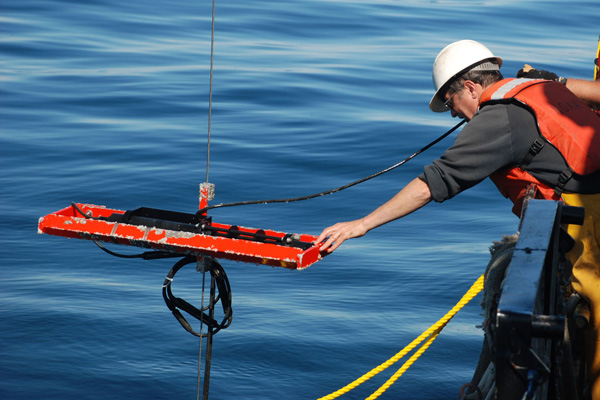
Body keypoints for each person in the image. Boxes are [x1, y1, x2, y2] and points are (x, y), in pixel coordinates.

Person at [315, 40, 600, 397]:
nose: (452, 114)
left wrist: (361, 225)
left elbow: (432, 183)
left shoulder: (500, 117)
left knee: (593, 332)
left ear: (469, 87)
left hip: (589, 224)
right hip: (585, 207)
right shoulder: (541, 89)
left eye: (450, 103)